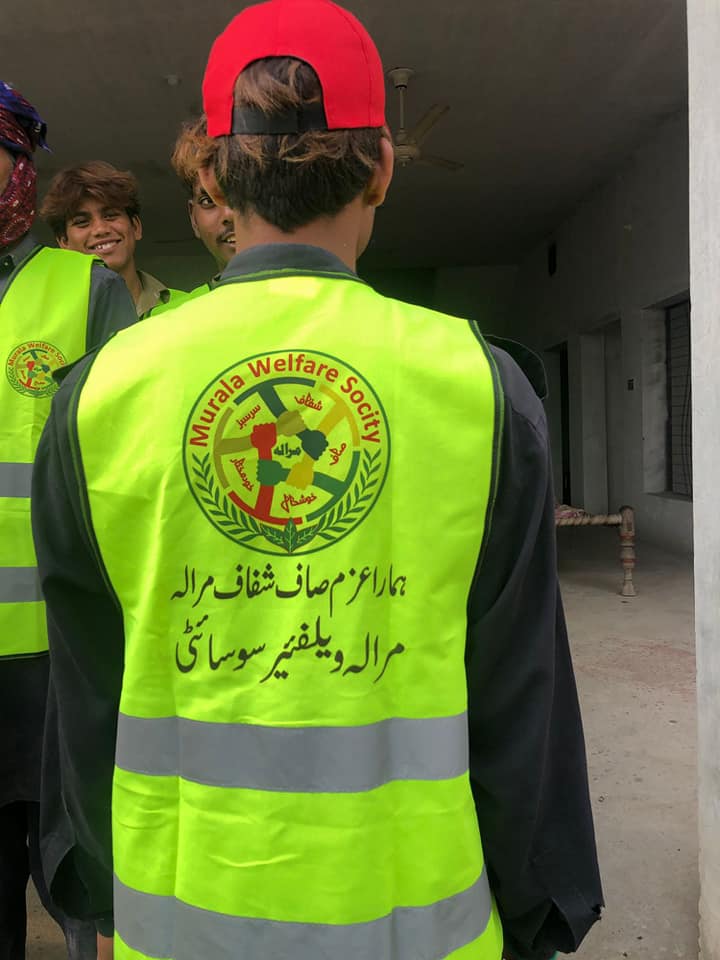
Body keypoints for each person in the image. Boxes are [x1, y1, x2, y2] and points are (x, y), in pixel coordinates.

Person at [31, 2, 603, 958]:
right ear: (381, 166)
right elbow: (522, 702)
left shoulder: (102, 392)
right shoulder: (477, 384)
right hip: (421, 927)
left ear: (214, 176)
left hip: (180, 921)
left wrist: (89, 879)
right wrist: (540, 911)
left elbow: (84, 691)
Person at [0, 81, 136, 960]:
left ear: (20, 166)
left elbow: (120, 469)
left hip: (58, 645)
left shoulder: (85, 289)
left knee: (76, 867)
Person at [40, 161, 184, 316]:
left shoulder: (186, 307)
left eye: (110, 215)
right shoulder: (50, 319)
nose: (101, 229)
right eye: (82, 222)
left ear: (136, 227)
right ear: (64, 242)